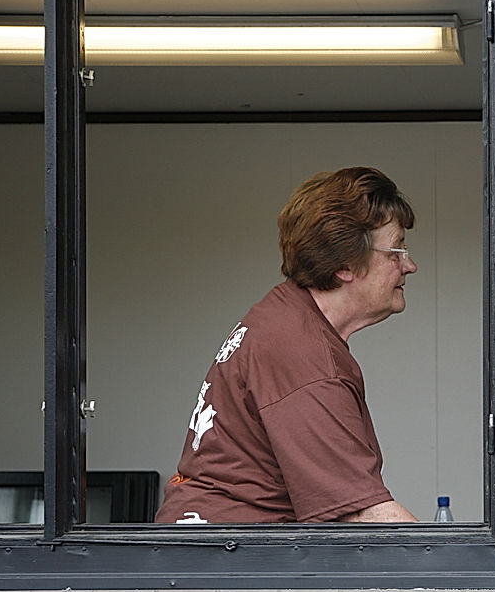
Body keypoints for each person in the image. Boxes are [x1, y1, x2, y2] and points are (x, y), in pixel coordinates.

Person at [155, 166, 420, 524]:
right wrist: (456, 557)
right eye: (396, 251)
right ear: (345, 264)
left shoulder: (285, 316)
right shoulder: (303, 354)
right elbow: (360, 514)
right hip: (227, 551)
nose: (409, 266)